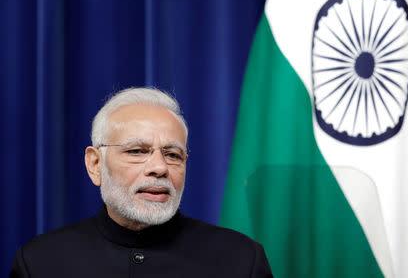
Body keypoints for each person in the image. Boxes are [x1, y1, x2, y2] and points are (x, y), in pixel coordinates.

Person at [10, 87, 273, 278]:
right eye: (137, 151)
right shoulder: (40, 263)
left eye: (172, 154)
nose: (159, 168)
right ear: (95, 164)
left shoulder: (241, 261)